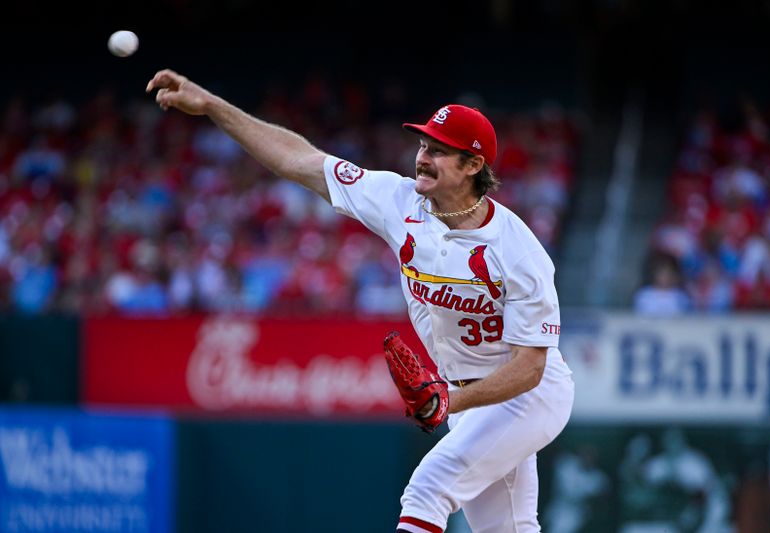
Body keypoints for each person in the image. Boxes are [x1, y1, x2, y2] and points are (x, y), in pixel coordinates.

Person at [147, 69, 575, 533]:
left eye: (439, 151)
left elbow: (531, 366)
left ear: (474, 166)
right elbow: (300, 161)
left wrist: (451, 399)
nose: (423, 157)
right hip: (467, 397)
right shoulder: (399, 201)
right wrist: (212, 104)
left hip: (527, 395)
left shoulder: (519, 251)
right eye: (423, 145)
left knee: (427, 490)